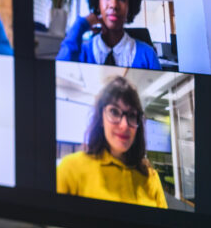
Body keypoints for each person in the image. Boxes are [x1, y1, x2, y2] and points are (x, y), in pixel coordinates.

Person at [57, 76, 167, 208]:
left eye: (132, 115)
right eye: (114, 112)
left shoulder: (150, 176)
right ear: (100, 116)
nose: (124, 125)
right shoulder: (70, 169)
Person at [56, 0, 161, 70]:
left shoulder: (148, 55)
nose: (114, 5)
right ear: (97, 0)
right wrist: (80, 25)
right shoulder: (82, 52)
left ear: (130, 5)